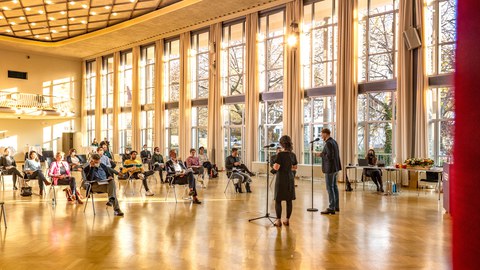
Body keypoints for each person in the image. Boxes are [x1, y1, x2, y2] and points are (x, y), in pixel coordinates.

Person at [272, 135, 297, 227]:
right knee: (289, 200)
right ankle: (287, 220)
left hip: (281, 179)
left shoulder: (280, 154)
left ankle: (278, 221)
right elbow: (295, 168)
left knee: (278, 200)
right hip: (290, 178)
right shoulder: (293, 154)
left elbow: (276, 167)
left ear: (282, 144)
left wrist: (274, 166)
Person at [319, 128, 341, 215]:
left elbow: (329, 156)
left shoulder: (328, 143)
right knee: (334, 187)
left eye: (321, 134)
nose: (321, 136)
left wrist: (320, 154)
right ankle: (336, 206)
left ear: (325, 134)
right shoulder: (334, 142)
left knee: (329, 187)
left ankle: (331, 207)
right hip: (335, 168)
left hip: (330, 169)